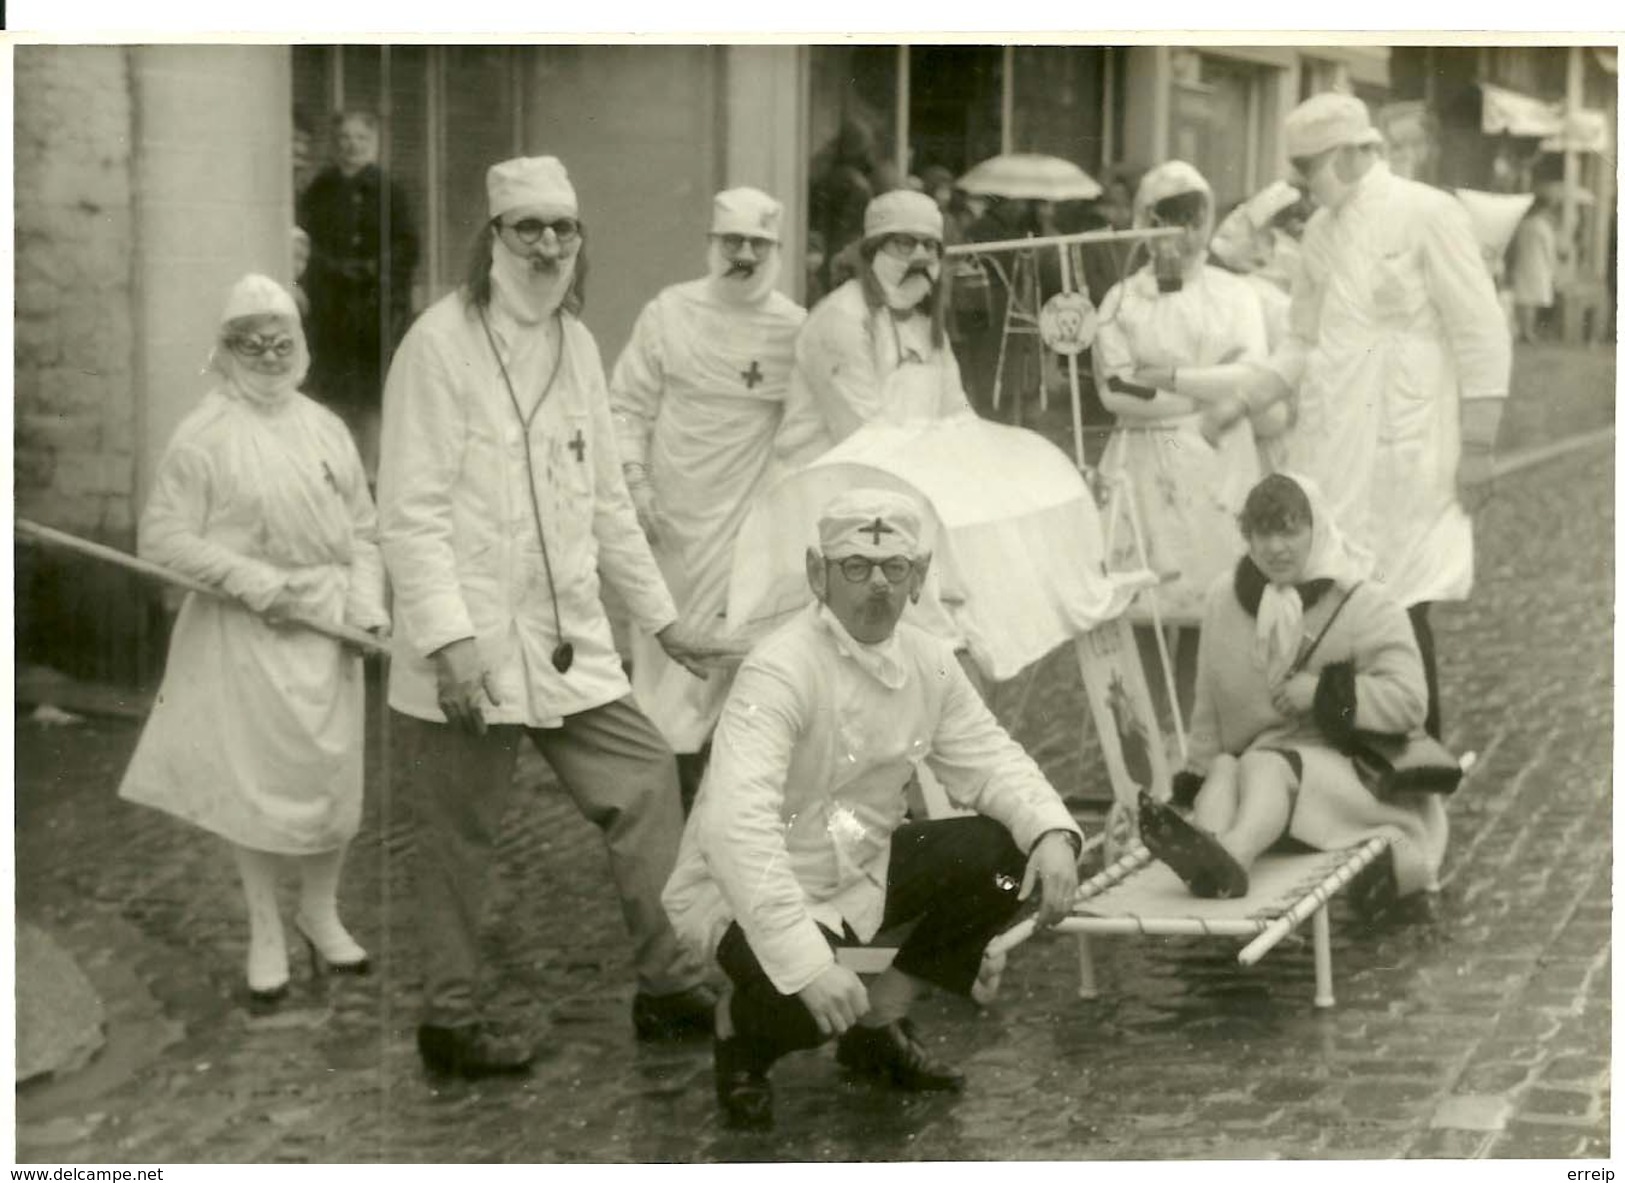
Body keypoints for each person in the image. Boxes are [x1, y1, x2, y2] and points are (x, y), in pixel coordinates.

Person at [376, 156, 732, 1079]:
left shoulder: (577, 345)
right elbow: (407, 512)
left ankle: (667, 983)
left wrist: (661, 620)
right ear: (491, 239)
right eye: (525, 228)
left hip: (564, 642)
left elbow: (609, 500)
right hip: (466, 650)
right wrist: (450, 646)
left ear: (581, 242)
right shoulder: (437, 344)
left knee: (648, 775)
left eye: (561, 229)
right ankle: (449, 1022)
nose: (545, 246)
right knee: (459, 839)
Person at [663, 487, 1084, 1130]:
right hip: (745, 890)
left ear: (917, 579)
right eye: (855, 567)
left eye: (895, 569)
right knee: (810, 999)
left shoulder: (927, 661)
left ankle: (875, 1024)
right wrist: (808, 966)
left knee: (1005, 858)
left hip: (861, 868)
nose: (877, 586)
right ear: (818, 574)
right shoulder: (778, 671)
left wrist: (1053, 833)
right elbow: (735, 833)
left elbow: (988, 758)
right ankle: (741, 1033)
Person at [118, 274, 389, 1009]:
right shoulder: (205, 434)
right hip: (248, 630)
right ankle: (265, 926)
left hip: (326, 624)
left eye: (282, 341)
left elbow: (363, 529)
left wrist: (365, 611)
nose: (269, 355)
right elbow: (163, 537)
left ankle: (320, 910)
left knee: (329, 780)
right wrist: (251, 581)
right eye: (252, 343)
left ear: (299, 346)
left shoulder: (325, 427)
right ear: (228, 349)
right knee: (258, 786)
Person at [1245, 92, 1511, 740]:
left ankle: (1420, 768)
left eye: (1306, 168)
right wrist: (1245, 392)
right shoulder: (1317, 232)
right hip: (1333, 438)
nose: (1299, 184)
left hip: (1412, 446)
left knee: (1401, 605)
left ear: (1346, 154)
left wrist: (1477, 445)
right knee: (1335, 600)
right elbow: (1300, 338)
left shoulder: (1428, 214)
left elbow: (1481, 332)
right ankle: (1353, 767)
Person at [1137, 473, 1447, 907]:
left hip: (1350, 776)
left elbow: (1411, 701)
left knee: (1265, 765)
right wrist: (1198, 771)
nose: (1275, 547)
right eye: (1262, 532)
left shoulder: (1362, 599)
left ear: (1315, 528)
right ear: (1247, 537)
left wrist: (1324, 694)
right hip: (1260, 783)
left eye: (1289, 530)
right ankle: (1205, 855)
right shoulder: (1226, 599)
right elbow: (1207, 700)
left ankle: (1236, 855)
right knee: (1226, 767)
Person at [610, 187, 805, 808]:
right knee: (664, 674)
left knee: (733, 671)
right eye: (732, 242)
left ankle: (722, 817)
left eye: (758, 243)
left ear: (776, 249)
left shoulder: (795, 329)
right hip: (670, 528)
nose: (743, 255)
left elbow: (803, 433)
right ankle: (657, 809)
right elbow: (626, 407)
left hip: (744, 534)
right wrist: (635, 481)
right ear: (711, 245)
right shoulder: (668, 313)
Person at [1092, 160, 1269, 722]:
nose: (1183, 235)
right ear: (1146, 222)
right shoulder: (1123, 300)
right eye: (1167, 220)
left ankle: (1197, 737)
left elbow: (1250, 371)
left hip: (1218, 463)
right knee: (1143, 602)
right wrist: (1201, 394)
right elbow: (1116, 389)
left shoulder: (1234, 295)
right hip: (1145, 463)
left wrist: (1169, 379)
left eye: (1193, 220)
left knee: (1210, 603)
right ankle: (1147, 737)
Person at [775, 189, 971, 468]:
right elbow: (861, 432)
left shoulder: (926, 326)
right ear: (873, 251)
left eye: (930, 245)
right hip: (824, 482)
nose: (921, 256)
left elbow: (957, 413)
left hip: (902, 479)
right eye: (905, 242)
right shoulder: (843, 317)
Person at [298, 110, 420, 479]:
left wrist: (373, 271)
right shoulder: (320, 189)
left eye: (361, 139)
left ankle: (369, 474)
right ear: (335, 144)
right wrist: (327, 269)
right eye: (345, 139)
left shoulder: (390, 190)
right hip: (329, 308)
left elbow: (407, 246)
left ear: (375, 144)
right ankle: (332, 470)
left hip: (372, 310)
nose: (352, 146)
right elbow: (303, 240)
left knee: (370, 395)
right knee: (330, 390)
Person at [1509, 182, 1563, 343]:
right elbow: (1550, 251)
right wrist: (1554, 270)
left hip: (1524, 262)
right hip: (1538, 265)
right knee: (1532, 300)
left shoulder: (1524, 224)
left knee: (1524, 299)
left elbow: (1515, 245)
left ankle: (1523, 329)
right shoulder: (1543, 227)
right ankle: (1528, 331)